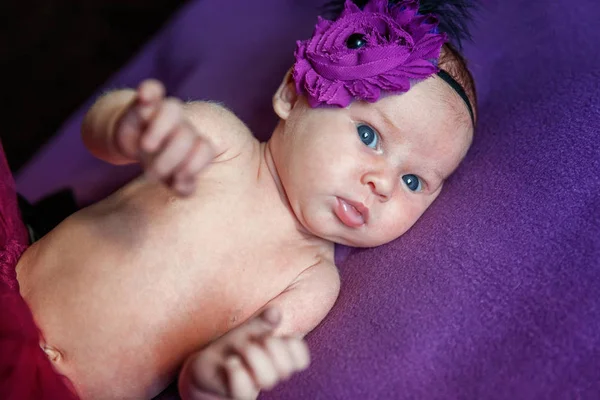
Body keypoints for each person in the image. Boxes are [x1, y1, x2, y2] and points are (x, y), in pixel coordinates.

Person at [15, 0, 477, 398]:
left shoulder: (313, 281)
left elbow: (198, 384)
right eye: (368, 134)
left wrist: (222, 377)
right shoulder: (220, 142)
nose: (382, 182)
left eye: (414, 182)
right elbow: (99, 134)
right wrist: (128, 126)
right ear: (293, 94)